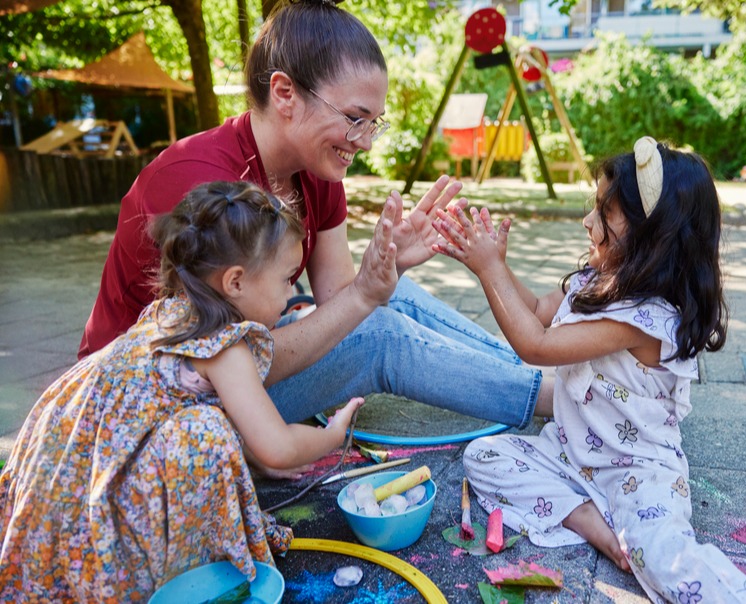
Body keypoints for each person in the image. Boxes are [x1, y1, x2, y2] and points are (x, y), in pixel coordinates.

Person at [77, 0, 549, 446]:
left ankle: (544, 374)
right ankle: (560, 400)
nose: (364, 143)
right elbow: (222, 358)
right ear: (285, 94)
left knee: (389, 298)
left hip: (220, 374)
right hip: (149, 413)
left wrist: (387, 273)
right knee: (378, 338)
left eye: (373, 124)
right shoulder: (196, 185)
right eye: (355, 118)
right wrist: (366, 294)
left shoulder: (315, 169)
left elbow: (338, 296)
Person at [0, 181, 371, 600]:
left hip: (63, 483)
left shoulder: (173, 313)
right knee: (205, 435)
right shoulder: (224, 345)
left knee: (207, 430)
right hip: (96, 508)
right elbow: (279, 447)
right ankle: (166, 575)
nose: (291, 293)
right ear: (234, 282)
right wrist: (331, 436)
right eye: (287, 279)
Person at [433, 138, 746, 602]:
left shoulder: (645, 319)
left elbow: (536, 344)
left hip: (637, 471)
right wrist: (498, 266)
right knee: (483, 456)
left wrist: (488, 270)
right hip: (570, 455)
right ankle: (593, 524)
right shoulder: (595, 282)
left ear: (654, 239)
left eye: (602, 214)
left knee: (668, 563)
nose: (587, 222)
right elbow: (533, 311)